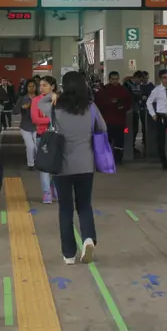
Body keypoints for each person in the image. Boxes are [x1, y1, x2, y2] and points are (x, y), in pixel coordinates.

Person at [38, 71, 106, 265]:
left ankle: (68, 254)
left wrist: (51, 95)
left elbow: (40, 104)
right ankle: (88, 239)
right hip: (85, 165)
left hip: (61, 166)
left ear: (63, 86)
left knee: (65, 209)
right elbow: (103, 128)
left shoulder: (55, 107)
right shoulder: (91, 107)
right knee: (84, 205)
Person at [94, 71, 132, 163]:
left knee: (119, 141)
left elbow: (128, 103)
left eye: (116, 79)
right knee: (107, 141)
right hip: (108, 120)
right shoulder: (104, 90)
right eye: (113, 79)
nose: (115, 81)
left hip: (120, 120)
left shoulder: (123, 90)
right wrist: (109, 103)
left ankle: (118, 159)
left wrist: (122, 106)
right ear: (109, 79)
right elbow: (98, 104)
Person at [31, 76, 59, 203]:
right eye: (40, 85)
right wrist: (51, 119)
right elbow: (35, 119)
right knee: (44, 165)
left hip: (57, 136)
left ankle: (54, 187)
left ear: (52, 87)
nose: (41, 88)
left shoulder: (58, 100)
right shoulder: (36, 100)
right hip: (41, 136)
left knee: (56, 165)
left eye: (45, 85)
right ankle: (46, 192)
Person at [146, 69, 167, 170]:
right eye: (164, 78)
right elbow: (149, 102)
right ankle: (164, 162)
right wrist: (153, 114)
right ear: (160, 79)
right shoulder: (157, 90)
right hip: (161, 117)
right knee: (161, 141)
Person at [18, 80, 38, 170]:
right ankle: (31, 164)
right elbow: (15, 111)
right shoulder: (22, 98)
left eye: (33, 86)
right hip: (25, 126)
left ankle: (37, 161)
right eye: (29, 86)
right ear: (26, 87)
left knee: (37, 145)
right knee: (30, 145)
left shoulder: (39, 98)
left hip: (37, 125)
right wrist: (22, 107)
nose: (31, 88)